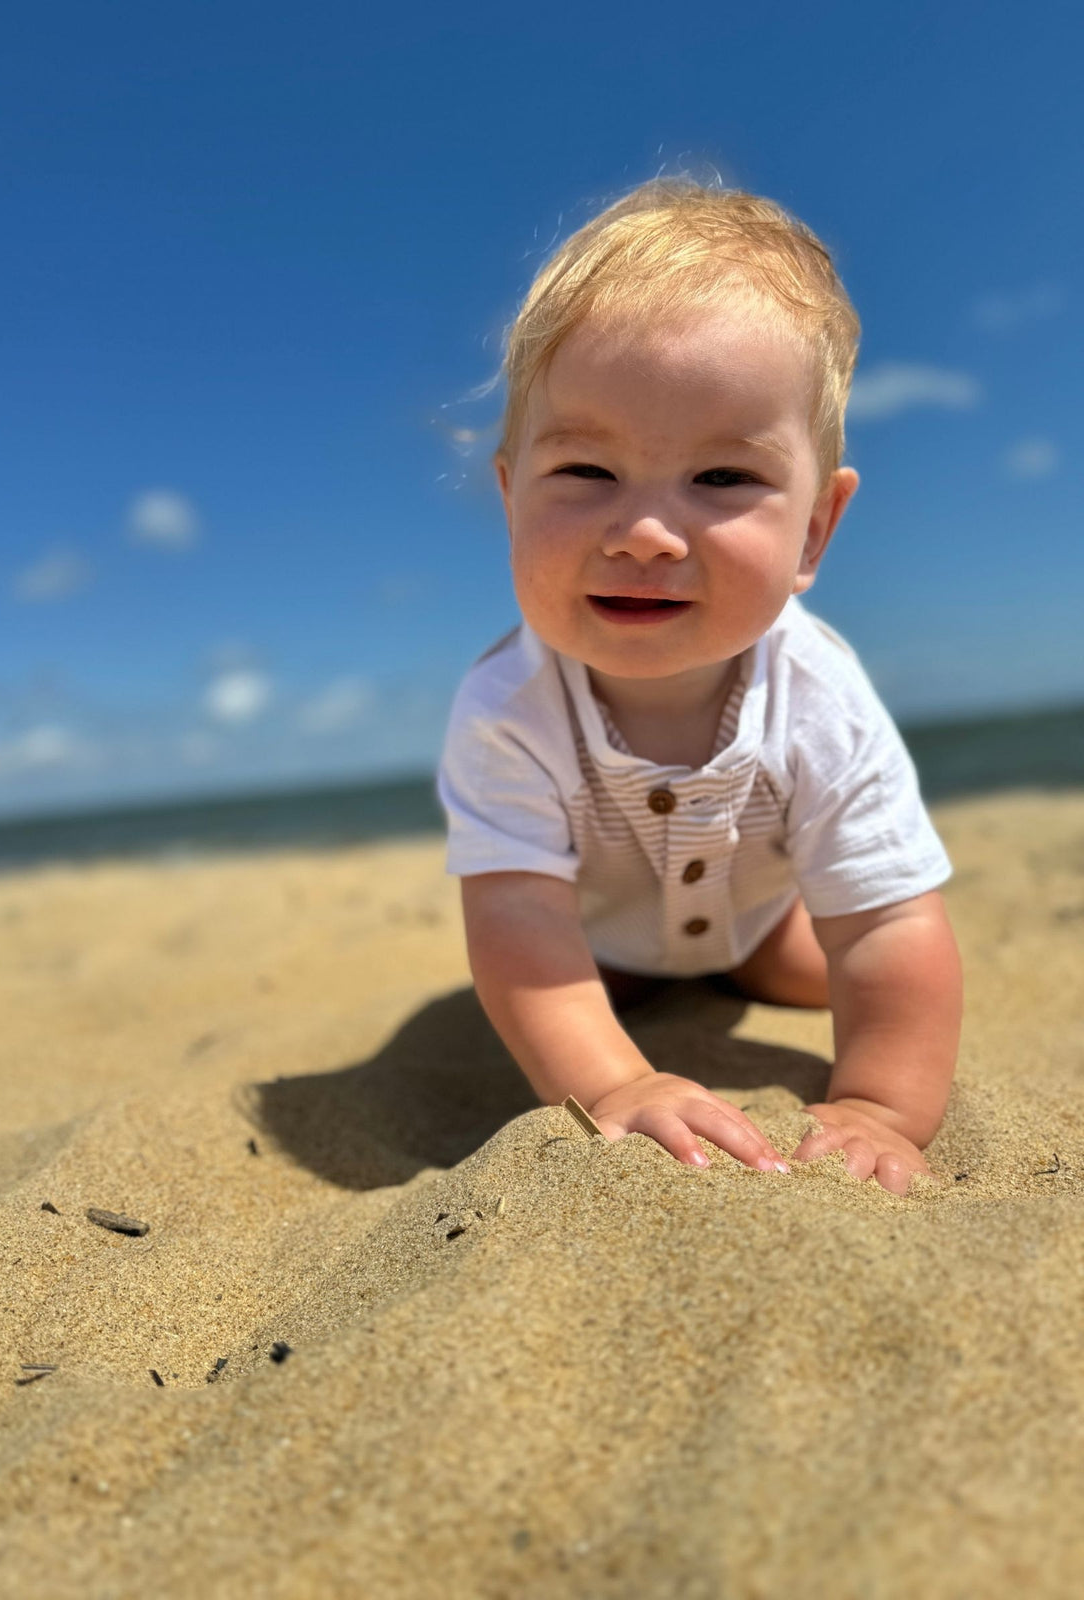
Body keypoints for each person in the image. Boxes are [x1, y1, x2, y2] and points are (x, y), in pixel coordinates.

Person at [437, 179, 963, 1197]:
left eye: (722, 480)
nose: (644, 531)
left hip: (761, 925)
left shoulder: (822, 696)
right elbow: (519, 921)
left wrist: (878, 1107)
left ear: (814, 531)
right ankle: (641, 1001)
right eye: (586, 470)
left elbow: (887, 920)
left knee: (822, 965)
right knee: (561, 989)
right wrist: (619, 1082)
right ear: (510, 498)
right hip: (603, 939)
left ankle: (753, 967)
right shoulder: (508, 707)